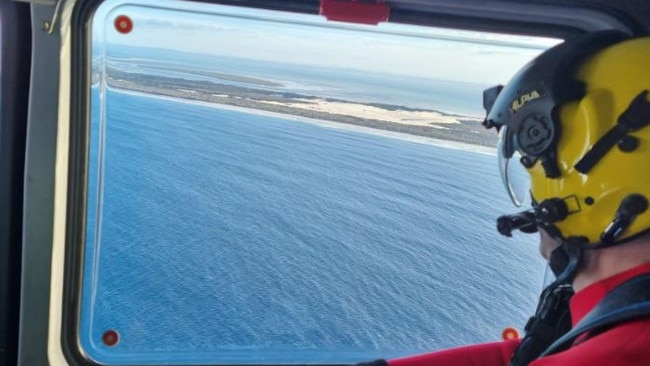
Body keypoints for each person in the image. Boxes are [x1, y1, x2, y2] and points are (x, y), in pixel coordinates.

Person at [359, 30, 650, 366]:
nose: (532, 199)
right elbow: (530, 355)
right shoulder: (619, 321)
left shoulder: (621, 351)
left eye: (531, 167)